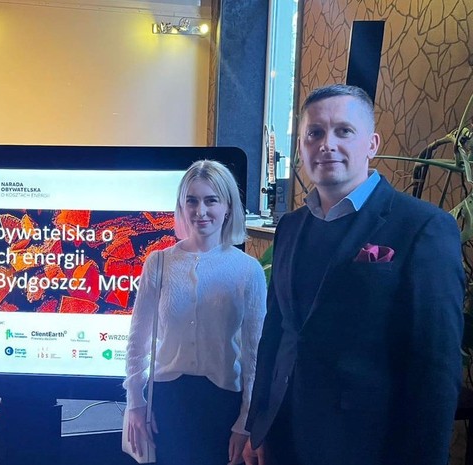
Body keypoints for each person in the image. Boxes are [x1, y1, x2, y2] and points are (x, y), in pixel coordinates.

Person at [243, 84, 464, 465]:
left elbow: (435, 369)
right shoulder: (291, 226)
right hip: (284, 434)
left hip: (367, 443)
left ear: (371, 144)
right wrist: (257, 425)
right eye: (314, 133)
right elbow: (276, 332)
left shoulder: (422, 227)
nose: (327, 144)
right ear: (301, 147)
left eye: (343, 131)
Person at [124, 159, 267, 465]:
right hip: (166, 401)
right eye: (192, 201)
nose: (200, 211)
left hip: (223, 403)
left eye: (211, 200)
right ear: (182, 205)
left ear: (228, 207)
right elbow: (138, 340)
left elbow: (254, 355)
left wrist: (246, 421)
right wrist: (135, 402)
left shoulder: (248, 270)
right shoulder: (158, 263)